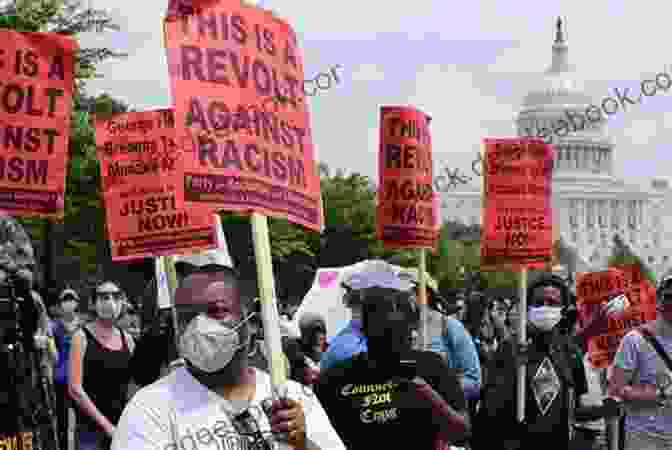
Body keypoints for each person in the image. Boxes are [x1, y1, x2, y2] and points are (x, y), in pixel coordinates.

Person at [111, 264, 346, 450]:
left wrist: (303, 444)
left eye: (217, 311)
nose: (199, 325)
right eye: (187, 317)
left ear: (250, 323)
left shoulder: (293, 398)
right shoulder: (150, 409)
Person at [473, 274, 620, 450]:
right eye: (539, 302)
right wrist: (514, 369)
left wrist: (603, 410)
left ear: (563, 309)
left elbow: (573, 412)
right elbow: (490, 409)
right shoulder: (510, 348)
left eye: (552, 303)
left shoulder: (570, 353)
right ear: (528, 308)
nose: (545, 308)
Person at [315, 286, 470, 450]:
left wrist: (427, 393)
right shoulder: (334, 380)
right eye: (382, 330)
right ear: (365, 330)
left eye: (397, 332)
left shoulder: (430, 366)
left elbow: (462, 432)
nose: (391, 340)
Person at [68, 281, 136, 450]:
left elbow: (136, 382)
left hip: (121, 426)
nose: (110, 302)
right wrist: (106, 426)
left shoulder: (127, 339)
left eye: (115, 296)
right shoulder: (81, 337)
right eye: (104, 297)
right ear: (93, 303)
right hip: (90, 432)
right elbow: (75, 389)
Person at [609, 276, 672, 449]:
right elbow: (616, 388)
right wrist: (656, 395)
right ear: (658, 300)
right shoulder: (634, 340)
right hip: (644, 438)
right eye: (669, 297)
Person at [52, 288, 83, 450]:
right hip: (61, 380)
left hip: (80, 379)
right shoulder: (54, 328)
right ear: (60, 304)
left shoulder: (83, 326)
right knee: (62, 422)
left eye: (71, 299)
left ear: (76, 303)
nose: (68, 303)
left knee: (82, 420)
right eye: (65, 300)